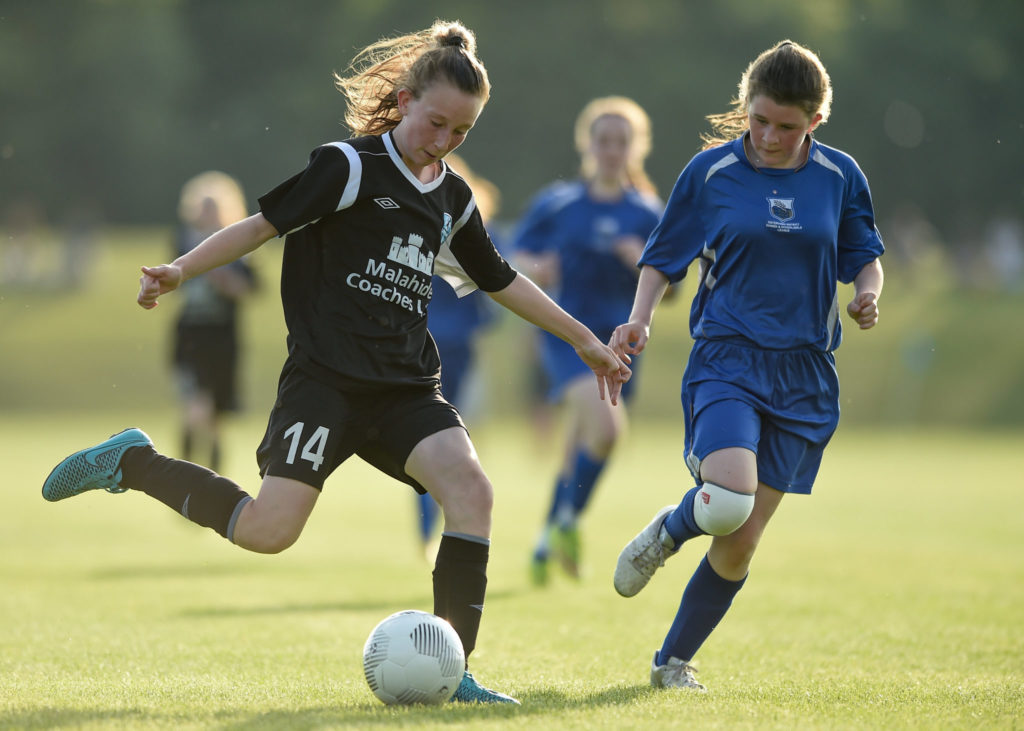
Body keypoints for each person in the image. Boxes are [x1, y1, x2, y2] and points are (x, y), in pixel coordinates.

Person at [41, 20, 629, 706]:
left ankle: (455, 668)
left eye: (460, 133)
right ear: (405, 100)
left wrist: (585, 339)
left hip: (407, 386)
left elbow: (500, 279)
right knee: (268, 531)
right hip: (326, 381)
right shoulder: (349, 168)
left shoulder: (453, 199)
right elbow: (262, 224)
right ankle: (133, 462)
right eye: (435, 122)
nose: (443, 141)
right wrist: (180, 267)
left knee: (473, 493)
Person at [609, 40, 884, 691]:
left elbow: (864, 253)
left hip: (806, 378)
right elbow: (662, 254)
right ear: (746, 107)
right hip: (726, 361)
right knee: (727, 498)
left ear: (816, 120)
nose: (768, 136)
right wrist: (641, 316)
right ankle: (671, 529)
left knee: (740, 539)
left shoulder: (840, 176)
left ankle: (671, 661)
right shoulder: (710, 172)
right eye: (759, 120)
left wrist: (868, 291)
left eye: (786, 127)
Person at [513, 96, 662, 585]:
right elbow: (511, 261)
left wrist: (639, 259)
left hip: (622, 346)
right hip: (568, 340)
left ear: (636, 148)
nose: (612, 150)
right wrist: (539, 267)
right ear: (588, 145)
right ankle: (568, 522)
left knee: (580, 444)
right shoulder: (558, 204)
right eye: (604, 140)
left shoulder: (646, 213)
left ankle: (544, 542)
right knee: (608, 432)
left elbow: (673, 282)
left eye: (622, 141)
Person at [416, 152, 500, 559]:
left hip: (455, 352)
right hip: (423, 352)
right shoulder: (420, 233)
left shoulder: (475, 239)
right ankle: (429, 532)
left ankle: (433, 533)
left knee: (442, 442)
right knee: (436, 441)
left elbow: (490, 301)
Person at [171, 171, 258, 473]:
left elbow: (249, 289)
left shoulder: (238, 249)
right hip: (192, 335)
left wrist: (219, 274)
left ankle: (213, 481)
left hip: (222, 338)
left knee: (216, 417)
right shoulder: (182, 242)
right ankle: (183, 474)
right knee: (196, 407)